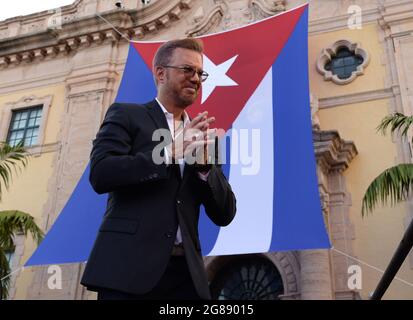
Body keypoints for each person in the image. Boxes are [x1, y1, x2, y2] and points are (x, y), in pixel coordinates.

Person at [80, 38, 237, 300]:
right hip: (127, 270)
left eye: (200, 73)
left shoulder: (206, 135)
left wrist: (204, 168)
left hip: (187, 278)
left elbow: (225, 213)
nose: (196, 78)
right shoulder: (126, 114)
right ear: (161, 73)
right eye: (187, 70)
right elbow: (101, 173)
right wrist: (169, 153)